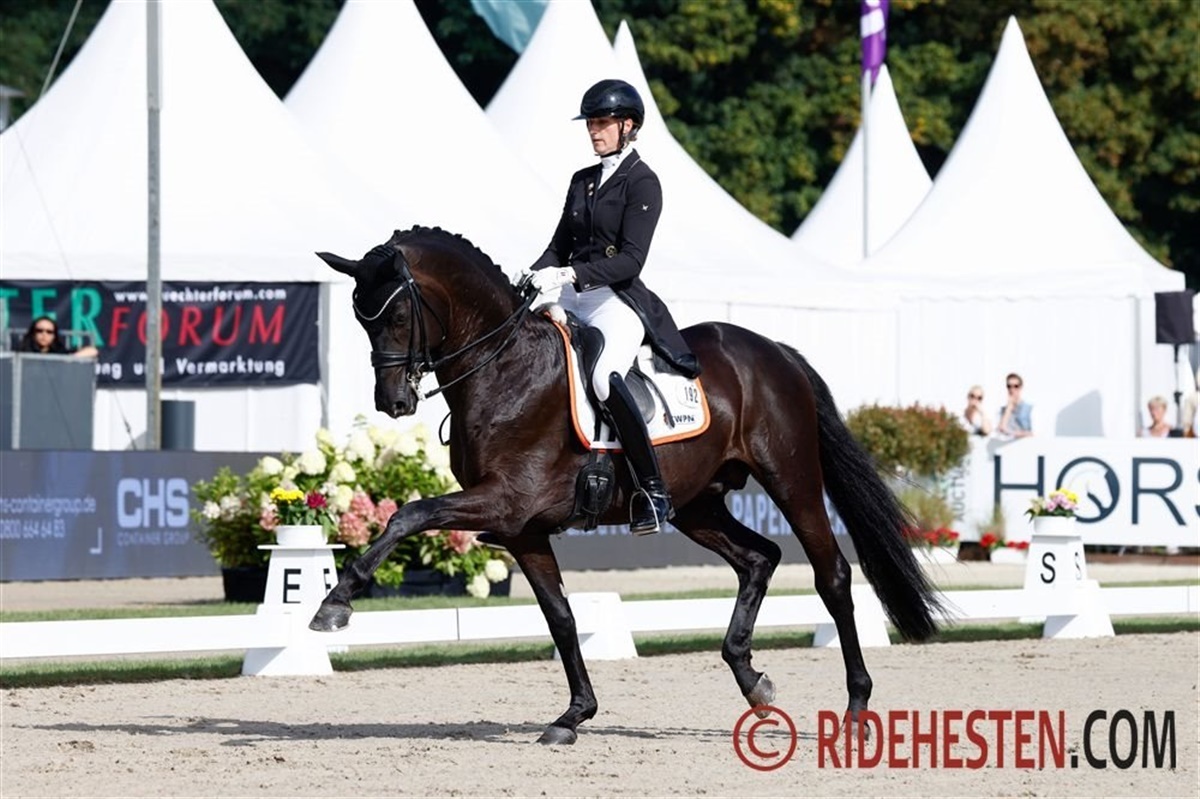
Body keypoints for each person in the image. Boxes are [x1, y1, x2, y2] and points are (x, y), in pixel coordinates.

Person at [527, 78, 699, 536]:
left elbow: (630, 260)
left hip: (614, 299)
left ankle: (653, 491)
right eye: (591, 123)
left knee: (604, 377)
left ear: (629, 126)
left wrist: (569, 275)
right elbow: (558, 246)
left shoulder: (643, 182)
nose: (594, 131)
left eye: (602, 123)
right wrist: (534, 274)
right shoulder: (582, 180)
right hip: (572, 293)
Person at [16, 316, 98, 358]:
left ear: (54, 335)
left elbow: (93, 351)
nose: (44, 334)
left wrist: (69, 359)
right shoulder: (22, 352)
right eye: (39, 330)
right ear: (33, 333)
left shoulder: (59, 352)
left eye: (49, 332)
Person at [996, 372, 1033, 438]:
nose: (1012, 389)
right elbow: (1000, 429)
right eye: (1009, 386)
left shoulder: (1029, 409)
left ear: (1021, 387)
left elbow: (1033, 433)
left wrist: (1011, 433)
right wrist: (1009, 408)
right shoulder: (1002, 410)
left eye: (1016, 386)